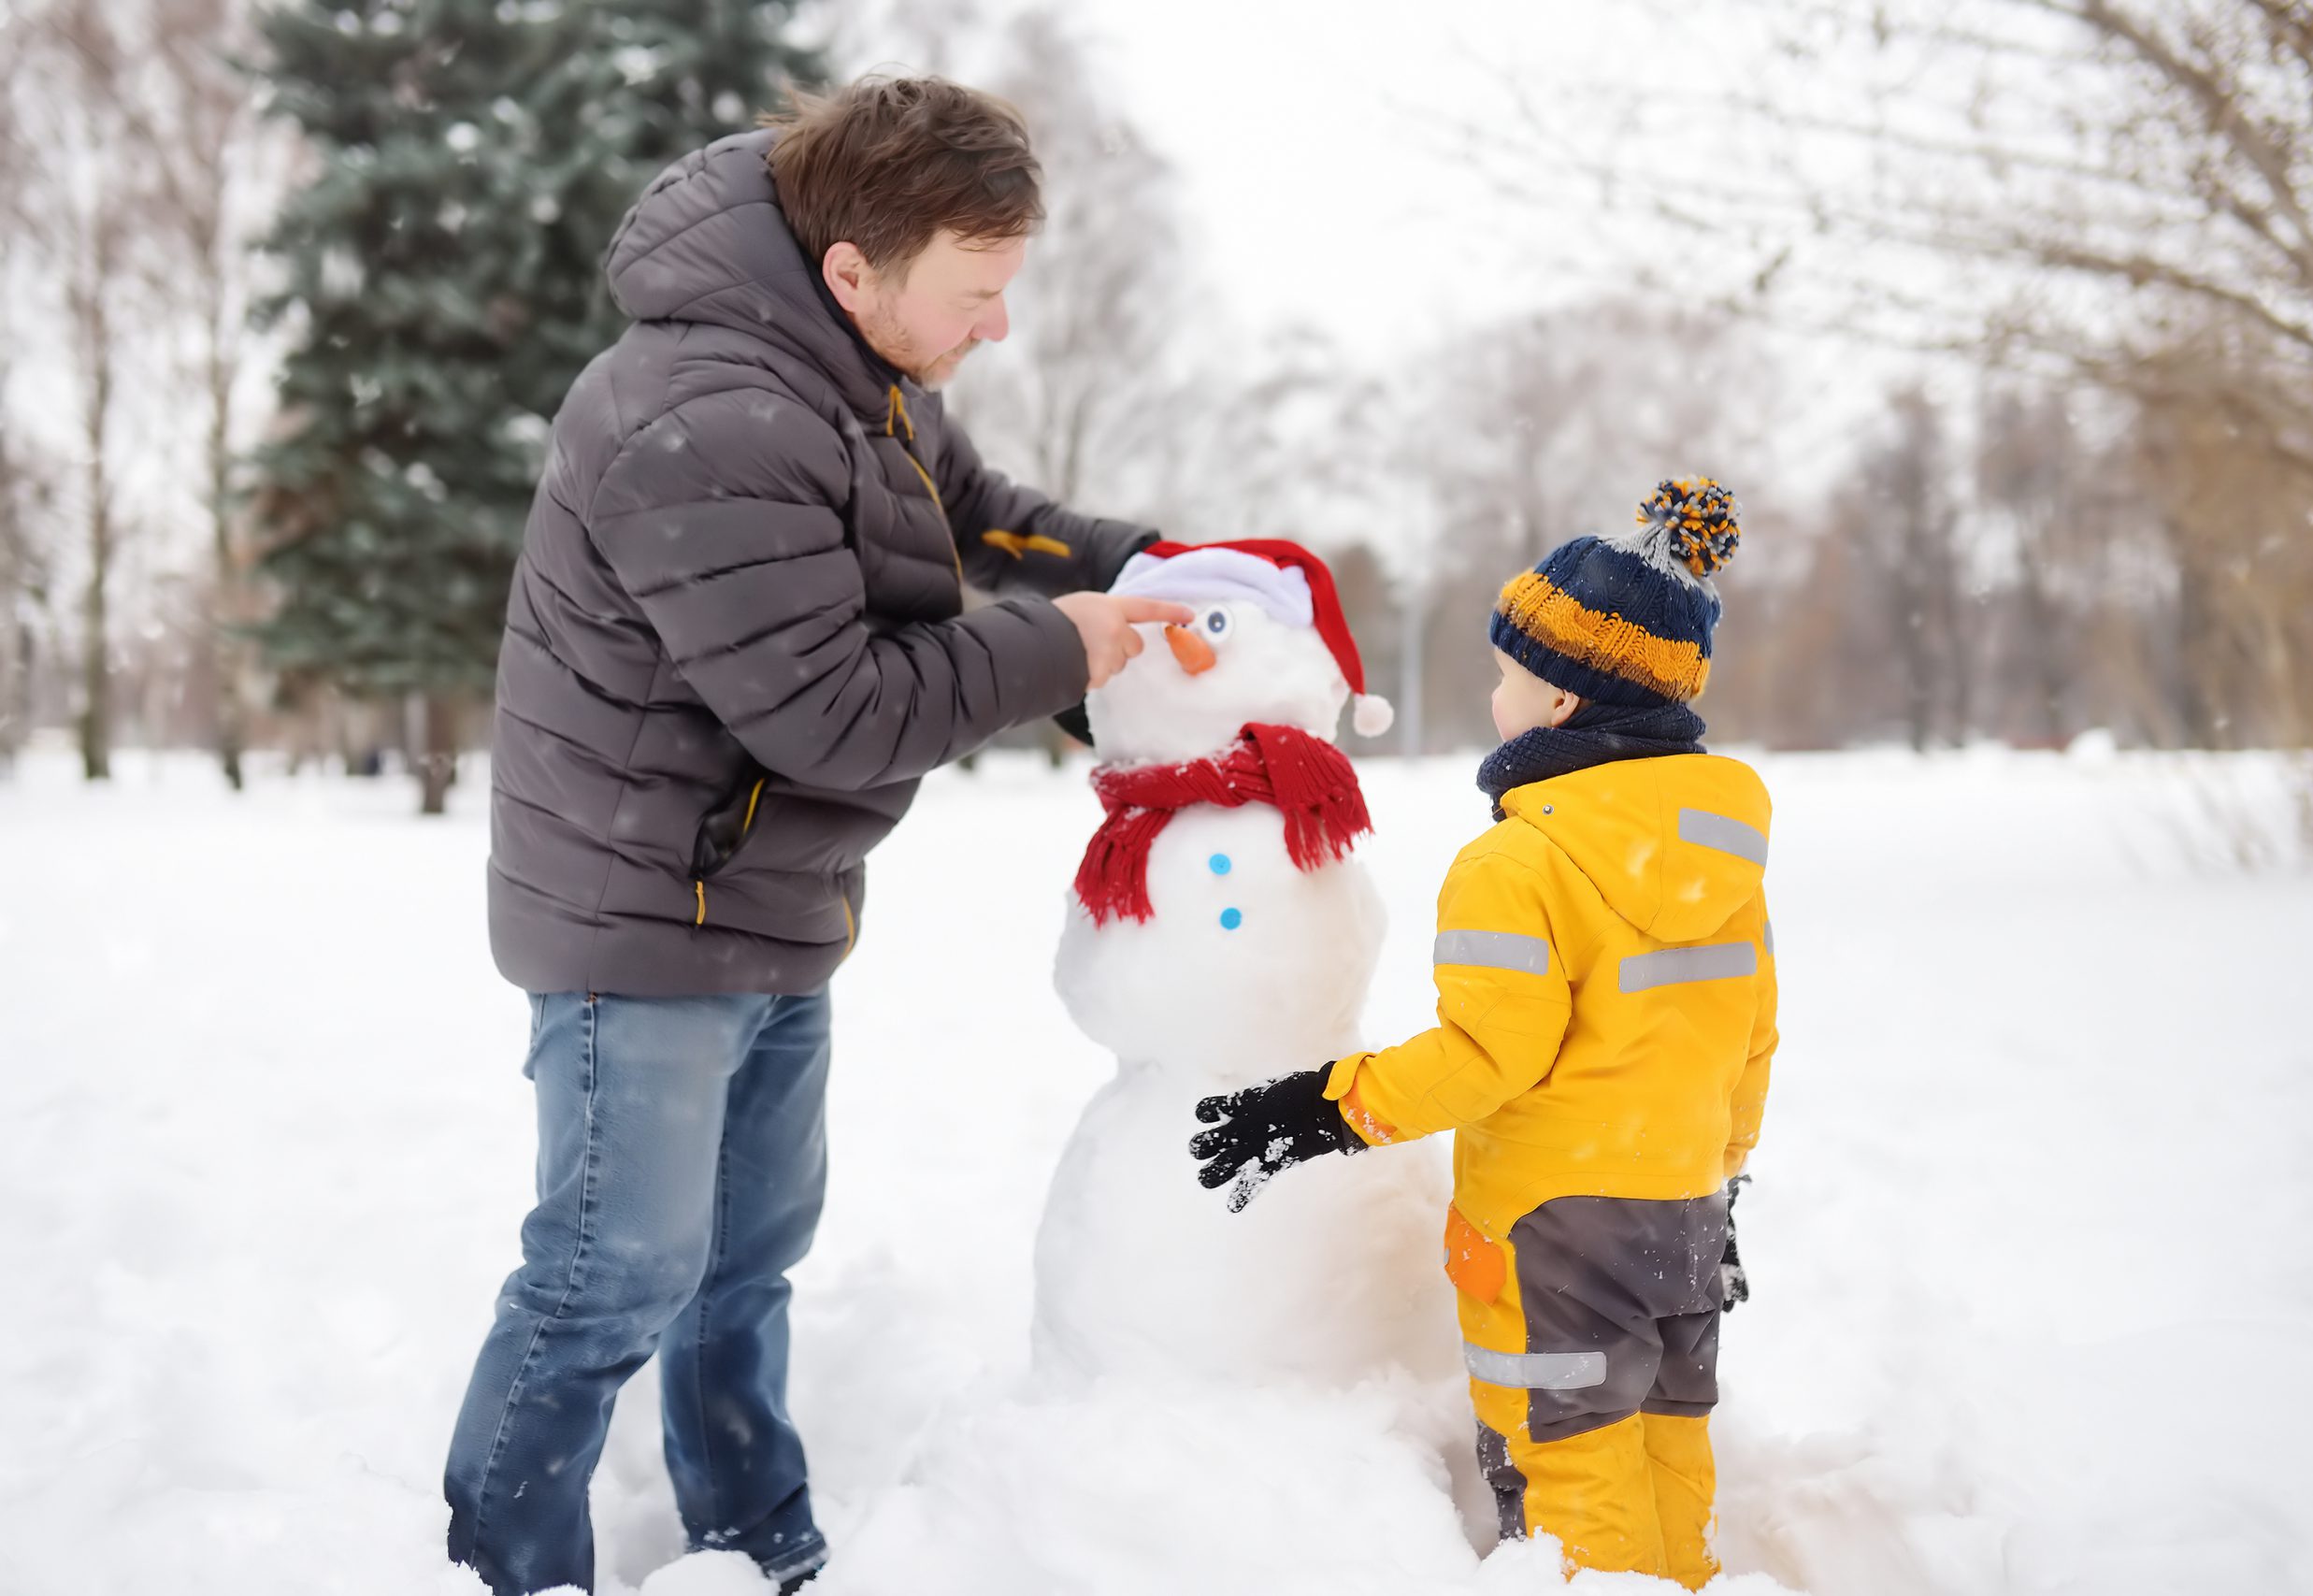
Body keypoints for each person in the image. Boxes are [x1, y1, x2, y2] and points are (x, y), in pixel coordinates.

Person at [444, 77, 1189, 1596]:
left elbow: (981, 511)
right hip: (643, 910)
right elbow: (832, 711)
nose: (998, 328)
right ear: (854, 268)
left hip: (769, 886)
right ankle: (503, 1563)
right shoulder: (703, 415)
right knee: (611, 1273)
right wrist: (1071, 647)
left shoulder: (861, 370)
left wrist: (1161, 565)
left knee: (745, 1252)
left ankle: (748, 1516)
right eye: (977, 295)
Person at [1189, 480, 1779, 1589]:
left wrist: (1318, 1109)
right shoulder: (1723, 859)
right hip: (1687, 1211)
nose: (1490, 690)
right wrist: (1722, 1177)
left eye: (1506, 672)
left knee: (1567, 1472)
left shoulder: (1518, 861)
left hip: (1557, 1233)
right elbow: (1751, 1037)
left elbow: (1485, 1055)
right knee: (1666, 1445)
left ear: (1560, 703)